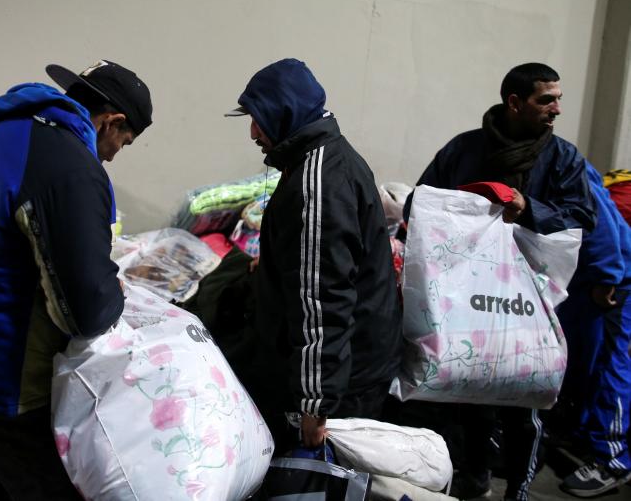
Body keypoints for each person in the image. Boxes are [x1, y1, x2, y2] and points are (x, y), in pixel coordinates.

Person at [0, 60, 152, 500]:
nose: (112, 154)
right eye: (122, 142)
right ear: (112, 121)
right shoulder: (66, 165)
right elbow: (85, 312)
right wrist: (113, 293)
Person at [404, 62, 596, 500]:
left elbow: (583, 218)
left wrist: (528, 208)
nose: (557, 109)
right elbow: (423, 202)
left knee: (525, 398)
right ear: (515, 103)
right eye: (546, 99)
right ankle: (475, 480)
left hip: (528, 297)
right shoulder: (464, 150)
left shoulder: (563, 159)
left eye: (559, 98)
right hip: (469, 294)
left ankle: (519, 489)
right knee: (472, 391)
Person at [225, 58, 401, 453]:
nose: (253, 132)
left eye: (258, 118)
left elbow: (323, 301)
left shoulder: (318, 183)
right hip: (342, 371)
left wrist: (315, 405)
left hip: (341, 383)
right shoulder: (318, 158)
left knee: (318, 484)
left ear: (284, 113)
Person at [555, 162, 631, 497]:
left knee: (611, 362)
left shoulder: (562, 163)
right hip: (588, 274)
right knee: (578, 353)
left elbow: (606, 229)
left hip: (615, 275)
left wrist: (608, 276)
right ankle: (579, 428)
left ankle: (612, 459)